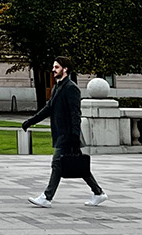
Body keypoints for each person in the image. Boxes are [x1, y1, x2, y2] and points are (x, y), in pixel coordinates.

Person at [21, 56, 107, 206]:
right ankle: (98, 193)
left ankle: (47, 197)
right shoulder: (57, 86)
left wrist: (74, 136)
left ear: (65, 69)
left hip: (68, 134)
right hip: (62, 133)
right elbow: (48, 108)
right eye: (54, 67)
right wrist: (30, 122)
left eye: (56, 67)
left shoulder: (71, 88)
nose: (53, 70)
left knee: (57, 163)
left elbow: (76, 113)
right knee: (79, 166)